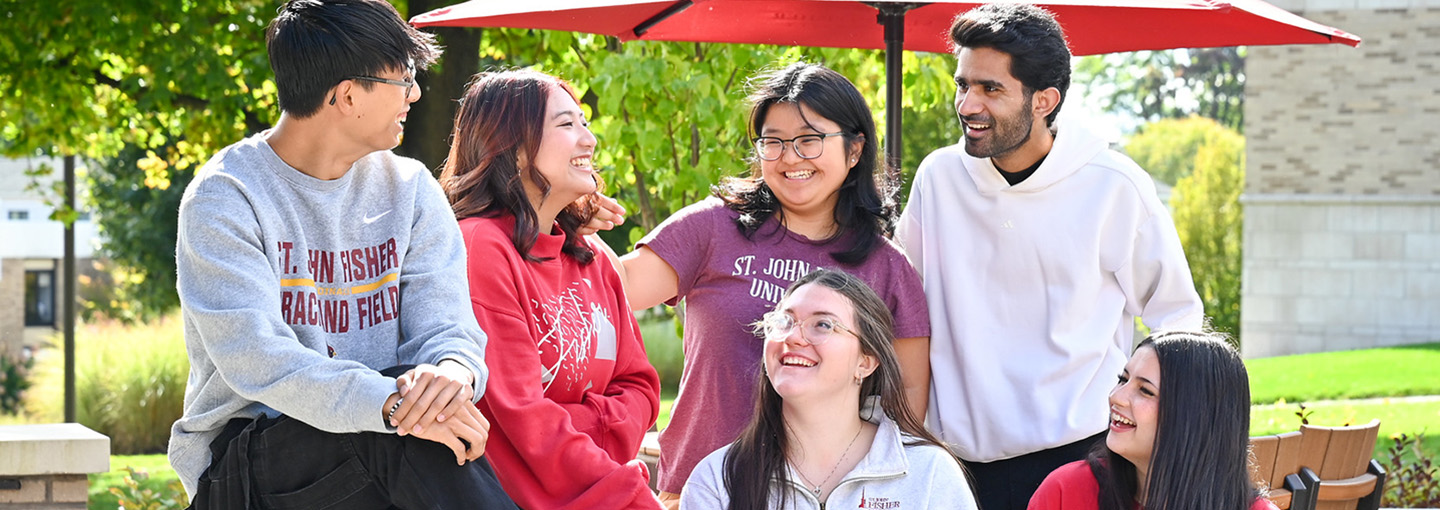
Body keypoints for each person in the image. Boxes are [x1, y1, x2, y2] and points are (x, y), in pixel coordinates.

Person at [169, 1, 516, 509]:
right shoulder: (226, 197)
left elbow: (448, 330)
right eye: (404, 79)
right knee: (405, 428)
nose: (416, 94)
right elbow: (261, 362)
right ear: (348, 95)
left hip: (387, 444)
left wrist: (450, 374)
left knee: (424, 427)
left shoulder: (411, 188)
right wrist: (394, 403)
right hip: (247, 466)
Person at [895, 4, 1205, 510]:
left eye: (990, 89)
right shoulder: (939, 178)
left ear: (1045, 100)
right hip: (953, 468)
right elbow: (903, 308)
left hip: (1081, 463)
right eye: (963, 85)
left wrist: (1157, 426)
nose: (968, 104)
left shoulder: (1115, 186)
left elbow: (1179, 319)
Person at [599, 61, 931, 506]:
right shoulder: (713, 228)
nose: (789, 157)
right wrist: (562, 217)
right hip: (701, 489)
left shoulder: (887, 266)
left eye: (809, 140)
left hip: (828, 495)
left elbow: (906, 401)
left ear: (854, 150)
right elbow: (604, 290)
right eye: (773, 142)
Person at [438, 69, 664, 509]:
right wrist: (625, 488)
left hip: (596, 487)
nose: (589, 140)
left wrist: (582, 423)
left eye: (585, 122)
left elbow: (641, 387)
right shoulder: (480, 247)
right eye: (567, 125)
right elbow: (517, 421)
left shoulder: (592, 256)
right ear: (514, 148)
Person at [681, 269, 974, 510]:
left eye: (822, 324)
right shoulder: (717, 480)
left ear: (866, 362)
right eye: (785, 321)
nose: (794, 336)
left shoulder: (929, 473)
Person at [1029, 332, 1279, 510]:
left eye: (1145, 391)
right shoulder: (1065, 492)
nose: (1116, 397)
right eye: (1123, 380)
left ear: (1193, 417)